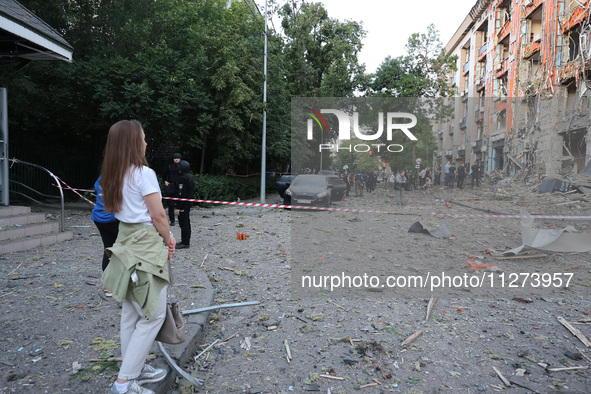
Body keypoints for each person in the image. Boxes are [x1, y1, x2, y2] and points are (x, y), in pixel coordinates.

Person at [100, 120, 175, 394]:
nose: (146, 142)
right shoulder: (144, 173)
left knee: (130, 312)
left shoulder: (113, 174)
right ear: (133, 142)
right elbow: (158, 215)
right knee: (153, 314)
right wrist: (167, 240)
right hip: (145, 245)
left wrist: (166, 236)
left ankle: (134, 367)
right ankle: (124, 383)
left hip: (124, 243)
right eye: (143, 138)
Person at [91, 176, 119, 296]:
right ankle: (120, 286)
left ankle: (109, 287)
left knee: (108, 249)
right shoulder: (119, 178)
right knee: (123, 250)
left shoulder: (102, 177)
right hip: (113, 217)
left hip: (99, 216)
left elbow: (97, 190)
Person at [174, 160, 195, 249]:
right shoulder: (189, 177)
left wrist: (178, 207)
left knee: (184, 223)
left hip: (183, 204)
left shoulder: (183, 179)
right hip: (187, 203)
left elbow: (181, 194)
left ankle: (185, 242)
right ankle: (184, 241)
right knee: (185, 222)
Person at [162, 153, 182, 226]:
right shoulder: (169, 167)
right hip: (171, 186)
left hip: (179, 186)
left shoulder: (182, 167)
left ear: (180, 159)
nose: (176, 159)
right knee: (171, 204)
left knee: (180, 203)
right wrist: (165, 181)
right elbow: (164, 175)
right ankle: (172, 220)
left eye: (177, 158)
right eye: (175, 158)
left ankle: (181, 220)